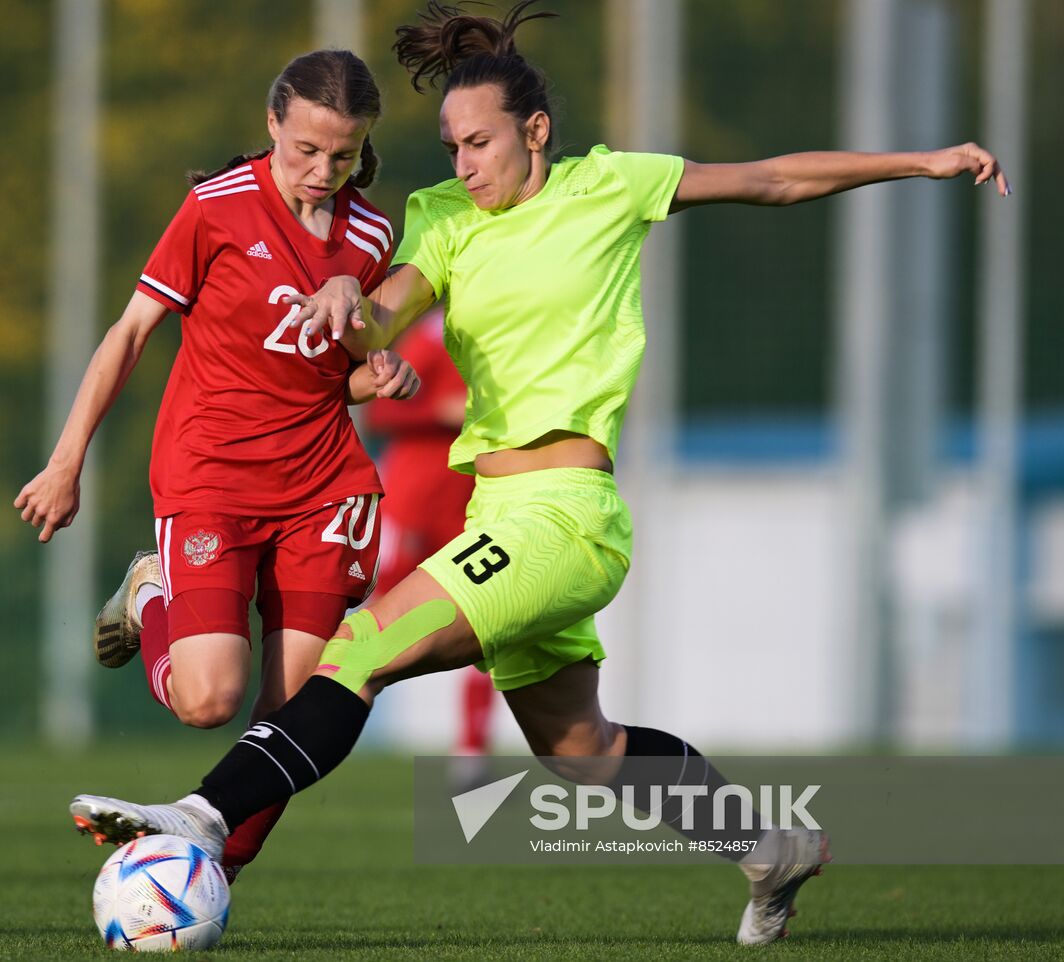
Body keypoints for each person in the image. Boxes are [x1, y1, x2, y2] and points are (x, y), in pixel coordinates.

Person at [65, 1, 1011, 945]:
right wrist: (357, 300)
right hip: (500, 515)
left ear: (537, 131)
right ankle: (769, 848)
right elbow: (380, 321)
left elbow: (767, 179)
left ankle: (201, 818)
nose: (463, 164)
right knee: (582, 752)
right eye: (449, 146)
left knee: (360, 651)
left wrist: (919, 163)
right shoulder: (440, 220)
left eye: (479, 143)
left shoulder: (611, 188)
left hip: (568, 517)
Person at [16, 49, 419, 883]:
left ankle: (209, 877)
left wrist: (374, 376)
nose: (322, 170)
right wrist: (66, 462)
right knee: (208, 701)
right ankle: (149, 588)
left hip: (322, 487)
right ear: (274, 124)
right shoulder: (216, 208)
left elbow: (329, 373)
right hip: (211, 476)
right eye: (306, 149)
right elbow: (130, 334)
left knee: (292, 714)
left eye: (342, 156)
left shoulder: (374, 235)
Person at [361, 308, 497, 774]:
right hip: (415, 501)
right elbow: (381, 408)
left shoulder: (506, 337)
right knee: (377, 618)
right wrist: (441, 407)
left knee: (487, 625)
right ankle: (308, 718)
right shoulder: (434, 334)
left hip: (472, 506)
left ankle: (472, 752)